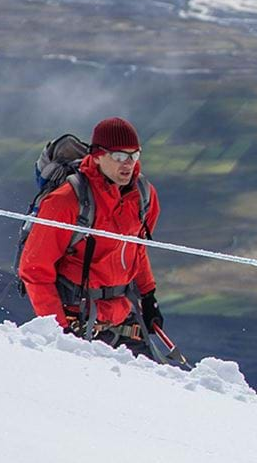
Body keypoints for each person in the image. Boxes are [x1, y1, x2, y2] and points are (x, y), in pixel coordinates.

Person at [18, 116, 163, 357]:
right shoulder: (66, 201)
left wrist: (148, 295)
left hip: (123, 316)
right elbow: (34, 269)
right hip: (78, 319)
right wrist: (58, 330)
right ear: (97, 155)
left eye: (134, 155)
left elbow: (135, 249)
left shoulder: (144, 196)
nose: (127, 163)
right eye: (118, 156)